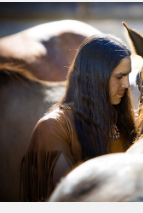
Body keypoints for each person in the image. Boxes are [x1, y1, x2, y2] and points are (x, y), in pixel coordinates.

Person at [20, 34, 136, 201]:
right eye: (119, 77)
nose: (126, 84)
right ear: (95, 76)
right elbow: (70, 197)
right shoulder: (54, 127)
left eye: (127, 76)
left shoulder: (126, 121)